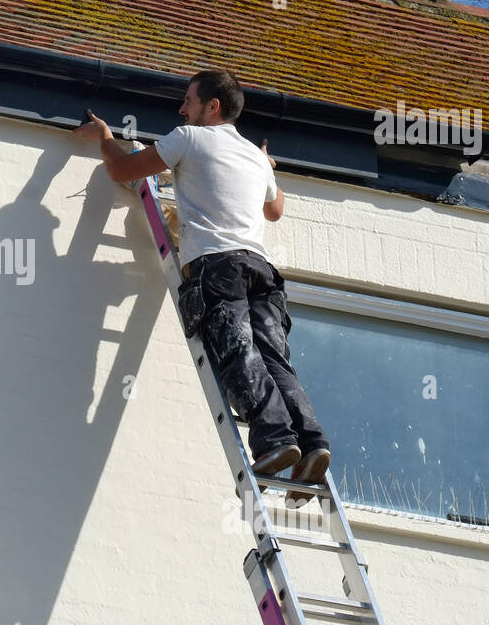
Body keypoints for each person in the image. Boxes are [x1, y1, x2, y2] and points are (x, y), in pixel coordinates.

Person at [75, 69, 330, 505]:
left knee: (236, 351)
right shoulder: (253, 156)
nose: (181, 108)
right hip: (263, 272)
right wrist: (268, 167)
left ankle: (272, 440)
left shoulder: (187, 139)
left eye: (188, 100)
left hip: (218, 267)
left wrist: (102, 137)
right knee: (275, 359)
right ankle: (311, 444)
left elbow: (121, 169)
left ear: (213, 106)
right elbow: (276, 210)